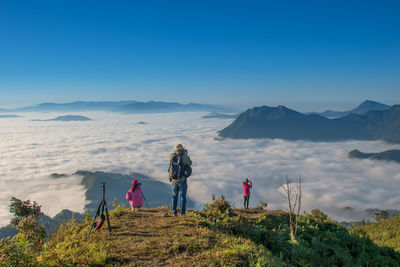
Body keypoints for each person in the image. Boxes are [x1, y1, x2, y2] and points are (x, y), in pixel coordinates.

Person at [169, 144, 192, 216]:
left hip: (173, 179)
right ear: (182, 149)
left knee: (174, 196)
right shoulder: (184, 156)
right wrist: (185, 154)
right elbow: (190, 163)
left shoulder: (171, 156)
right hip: (182, 179)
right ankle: (182, 213)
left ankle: (174, 213)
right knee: (183, 197)